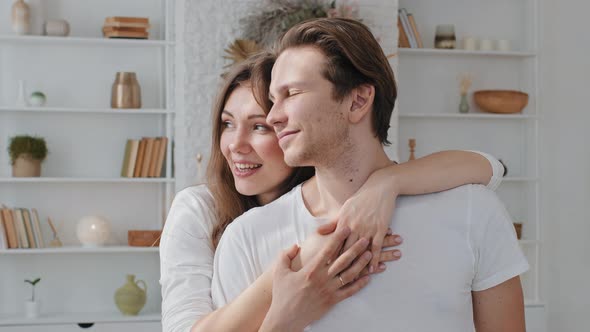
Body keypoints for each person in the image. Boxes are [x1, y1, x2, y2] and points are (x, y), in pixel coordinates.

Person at [211, 18, 528, 332]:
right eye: (272, 101)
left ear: (358, 100)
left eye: (290, 94)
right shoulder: (248, 238)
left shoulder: (473, 211)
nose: (273, 116)